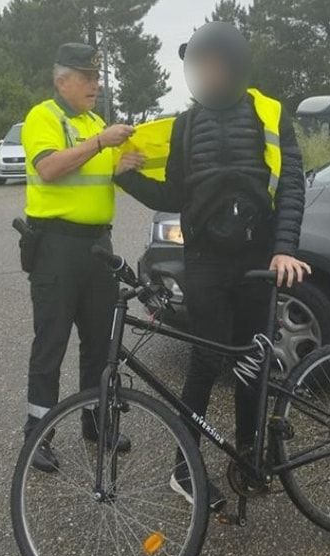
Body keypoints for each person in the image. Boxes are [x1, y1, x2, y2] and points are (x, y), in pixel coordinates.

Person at [113, 23, 310, 511]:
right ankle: (184, 470)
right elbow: (175, 196)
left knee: (251, 359)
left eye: (212, 64)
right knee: (204, 362)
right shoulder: (185, 125)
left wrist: (285, 247)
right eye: (198, 66)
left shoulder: (269, 113)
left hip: (257, 258)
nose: (205, 73)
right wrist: (128, 179)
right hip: (203, 261)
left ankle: (248, 458)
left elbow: (290, 185)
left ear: (235, 65)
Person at [19, 43, 136, 472]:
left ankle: (94, 420)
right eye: (86, 77)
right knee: (51, 341)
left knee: (99, 342)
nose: (95, 84)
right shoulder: (44, 117)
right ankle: (39, 433)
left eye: (97, 77)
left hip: (97, 246)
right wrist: (100, 141)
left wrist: (124, 164)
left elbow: (97, 173)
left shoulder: (93, 122)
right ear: (61, 79)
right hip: (57, 246)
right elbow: (49, 168)